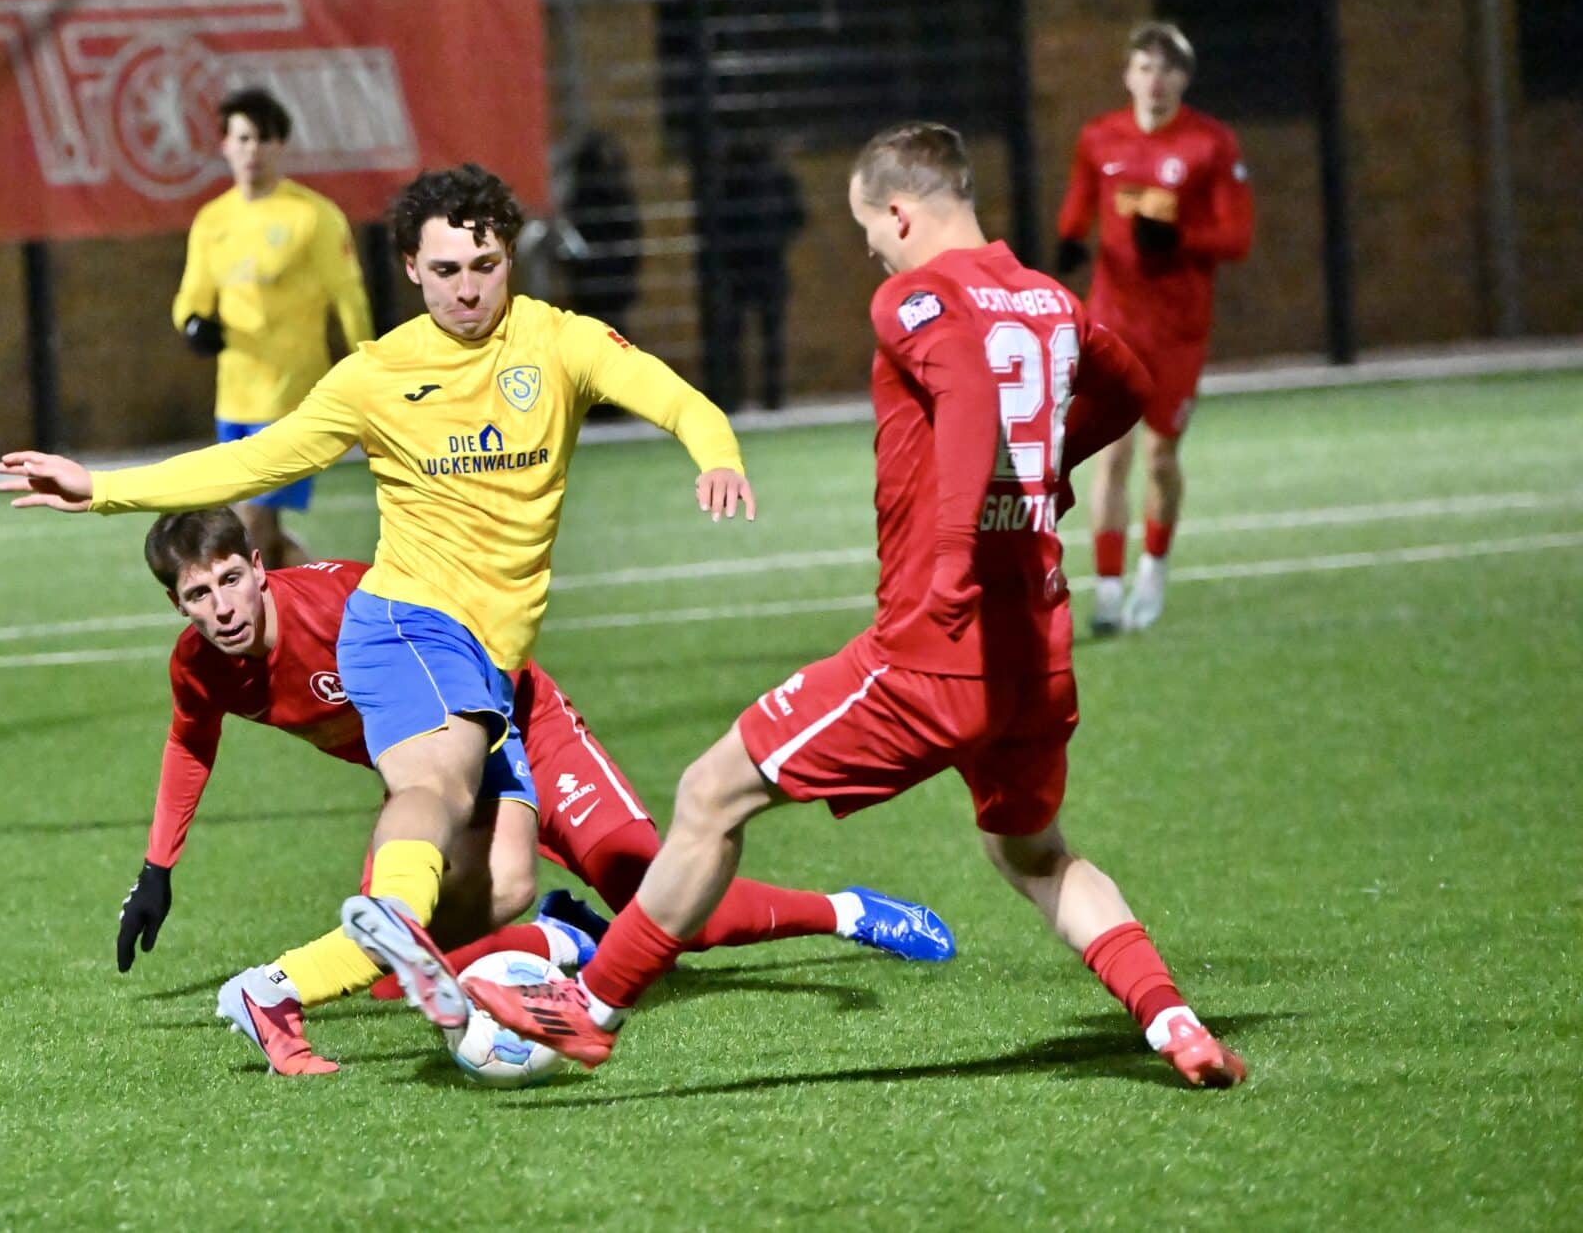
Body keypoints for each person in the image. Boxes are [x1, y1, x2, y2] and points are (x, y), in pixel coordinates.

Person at [467, 122, 1249, 1090]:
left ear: (897, 210)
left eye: (867, 231)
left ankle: (587, 1009)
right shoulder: (1047, 298)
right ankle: (1170, 1021)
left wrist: (956, 557)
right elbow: (1124, 386)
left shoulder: (913, 297)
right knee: (1034, 855)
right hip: (1034, 652)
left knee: (712, 793)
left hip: (930, 651)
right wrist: (1040, 479)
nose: (870, 253)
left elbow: (965, 401)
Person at [0, 163, 757, 1039]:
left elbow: (676, 398)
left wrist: (718, 453)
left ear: (510, 256)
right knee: (434, 780)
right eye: (445, 271)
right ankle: (390, 916)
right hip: (403, 620)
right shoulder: (378, 375)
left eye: (485, 266)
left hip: (491, 657)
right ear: (409, 267)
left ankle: (323, 968)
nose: (468, 289)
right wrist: (101, 488)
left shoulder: (561, 343)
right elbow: (256, 462)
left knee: (504, 882)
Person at [116, 507, 954, 1075]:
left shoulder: (346, 602)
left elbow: (475, 639)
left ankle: (847, 910)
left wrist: (489, 761)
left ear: (259, 567)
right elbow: (190, 742)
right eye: (198, 595)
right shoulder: (200, 668)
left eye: (230, 579)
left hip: (520, 721)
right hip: (441, 778)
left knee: (662, 900)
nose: (221, 606)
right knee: (391, 966)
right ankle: (558, 938)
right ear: (176, 603)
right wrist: (158, 867)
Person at [1053, 23, 1254, 633]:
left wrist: (1181, 239)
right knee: (1110, 453)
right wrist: (1068, 240)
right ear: (1128, 75)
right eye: (1144, 68)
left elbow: (1238, 237)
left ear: (1184, 79)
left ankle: (1153, 571)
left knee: (1161, 457)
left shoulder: (1211, 144)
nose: (1155, 81)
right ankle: (1108, 592)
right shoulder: (1099, 138)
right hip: (1114, 320)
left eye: (1167, 70)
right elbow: (1080, 203)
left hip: (1178, 328)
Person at [172, 88, 373, 568]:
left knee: (249, 527)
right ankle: (326, 610)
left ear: (281, 146)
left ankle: (252, 639)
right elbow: (191, 298)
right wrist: (193, 324)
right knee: (267, 538)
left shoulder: (313, 217)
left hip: (292, 399)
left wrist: (370, 367)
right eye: (242, 138)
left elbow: (349, 299)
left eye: (263, 139)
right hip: (234, 398)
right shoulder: (212, 221)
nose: (252, 150)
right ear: (224, 144)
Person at [720, 137, 807, 410]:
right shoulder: (774, 177)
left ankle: (739, 397)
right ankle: (769, 396)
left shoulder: (729, 178)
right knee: (764, 333)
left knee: (742, 334)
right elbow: (798, 216)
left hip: (743, 265)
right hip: (761, 263)